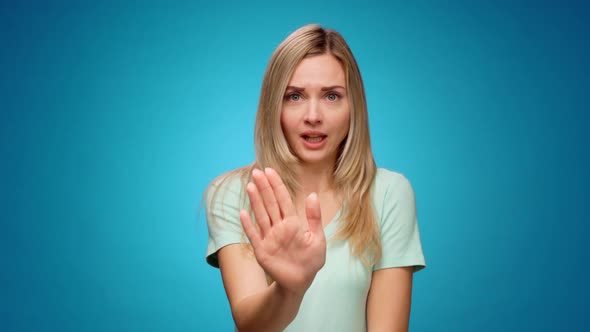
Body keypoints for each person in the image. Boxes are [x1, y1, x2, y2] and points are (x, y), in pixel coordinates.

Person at [204, 24, 426, 332]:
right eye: (294, 96)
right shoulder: (232, 193)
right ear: (274, 107)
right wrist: (290, 288)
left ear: (353, 107)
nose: (313, 115)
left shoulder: (389, 193)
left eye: (332, 96)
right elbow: (250, 325)